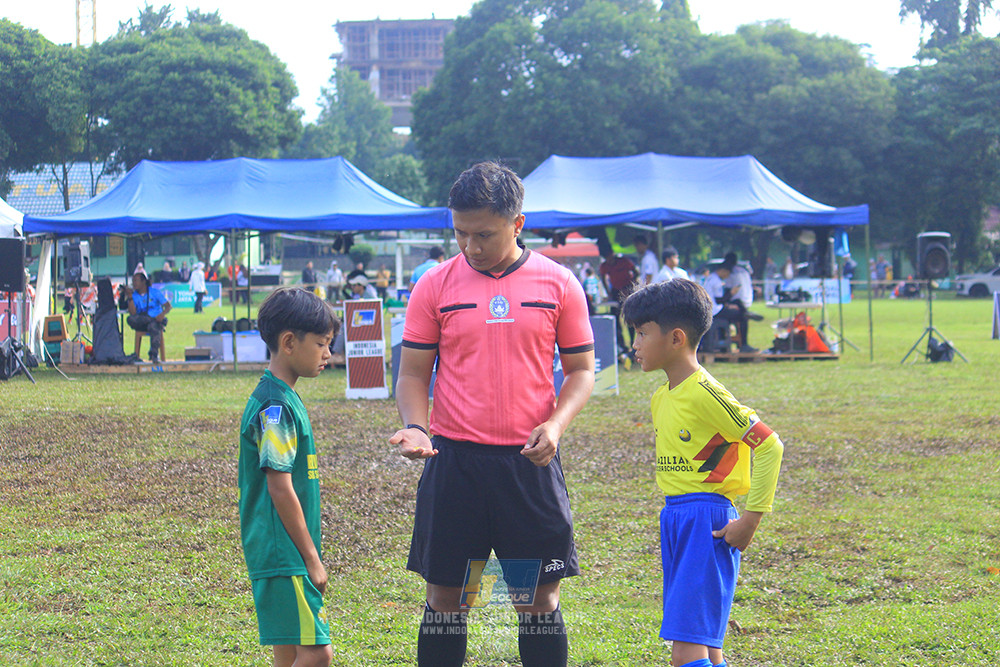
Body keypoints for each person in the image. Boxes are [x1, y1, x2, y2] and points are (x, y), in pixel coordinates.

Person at [389, 161, 595, 667]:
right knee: (448, 602)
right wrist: (417, 426)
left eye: (484, 234)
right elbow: (413, 375)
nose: (470, 246)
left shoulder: (558, 284)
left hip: (528, 470)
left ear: (517, 223)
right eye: (460, 233)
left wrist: (556, 425)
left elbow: (581, 371)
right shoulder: (435, 286)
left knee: (535, 600)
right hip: (455, 467)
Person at [621, 278, 783, 667]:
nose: (635, 344)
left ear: (676, 338)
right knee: (705, 644)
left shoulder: (705, 392)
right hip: (677, 516)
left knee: (686, 651)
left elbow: (770, 444)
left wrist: (751, 518)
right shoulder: (662, 395)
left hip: (706, 519)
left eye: (642, 333)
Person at [238, 287, 337, 667]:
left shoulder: (281, 396)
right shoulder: (275, 406)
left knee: (290, 652)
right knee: (317, 653)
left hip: (282, 550)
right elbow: (279, 487)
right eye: (322, 344)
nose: (328, 354)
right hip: (286, 554)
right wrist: (312, 559)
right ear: (289, 342)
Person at [125, 269, 171, 363]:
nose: (134, 283)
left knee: (154, 326)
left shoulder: (155, 292)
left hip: (155, 321)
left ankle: (154, 355)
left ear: (143, 282)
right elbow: (133, 313)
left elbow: (168, 306)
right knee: (130, 319)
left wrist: (162, 315)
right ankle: (153, 321)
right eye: (133, 281)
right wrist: (129, 296)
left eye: (136, 281)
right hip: (143, 321)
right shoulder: (134, 295)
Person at [599, 250, 638, 355]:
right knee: (615, 318)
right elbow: (603, 277)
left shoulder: (624, 261)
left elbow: (635, 271)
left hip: (627, 289)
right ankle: (621, 345)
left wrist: (632, 284)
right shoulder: (605, 266)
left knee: (630, 317)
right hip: (616, 291)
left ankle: (633, 343)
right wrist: (608, 292)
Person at [722, 251, 760, 353]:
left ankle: (724, 342)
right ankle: (743, 343)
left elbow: (728, 290)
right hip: (747, 301)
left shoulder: (730, 272)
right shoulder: (743, 271)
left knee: (736, 317)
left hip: (737, 301)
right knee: (743, 318)